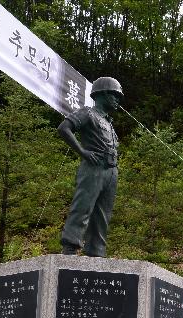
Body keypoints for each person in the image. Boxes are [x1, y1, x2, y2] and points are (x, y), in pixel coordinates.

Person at [58, 76, 123, 257]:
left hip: (111, 170)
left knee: (103, 214)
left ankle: (96, 251)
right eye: (114, 95)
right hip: (93, 167)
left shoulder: (109, 122)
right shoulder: (88, 113)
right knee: (83, 207)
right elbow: (64, 128)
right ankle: (70, 246)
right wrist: (82, 151)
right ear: (101, 94)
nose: (118, 100)